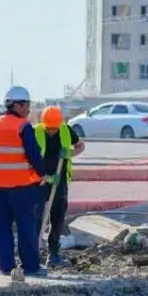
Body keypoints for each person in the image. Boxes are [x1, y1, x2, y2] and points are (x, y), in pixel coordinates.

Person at [0, 86, 48, 278]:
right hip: (22, 186)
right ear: (16, 105)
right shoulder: (22, 127)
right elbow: (33, 155)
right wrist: (44, 175)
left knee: (1, 227)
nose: (28, 109)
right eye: (26, 105)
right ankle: (31, 267)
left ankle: (5, 267)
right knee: (26, 226)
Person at [33, 105, 86, 267]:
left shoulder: (66, 130)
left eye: (55, 128)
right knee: (36, 215)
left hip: (60, 180)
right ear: (43, 124)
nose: (52, 131)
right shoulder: (35, 132)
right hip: (39, 180)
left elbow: (80, 146)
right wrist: (46, 177)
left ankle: (53, 254)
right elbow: (27, 157)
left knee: (57, 217)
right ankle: (32, 252)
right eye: (49, 128)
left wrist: (69, 153)